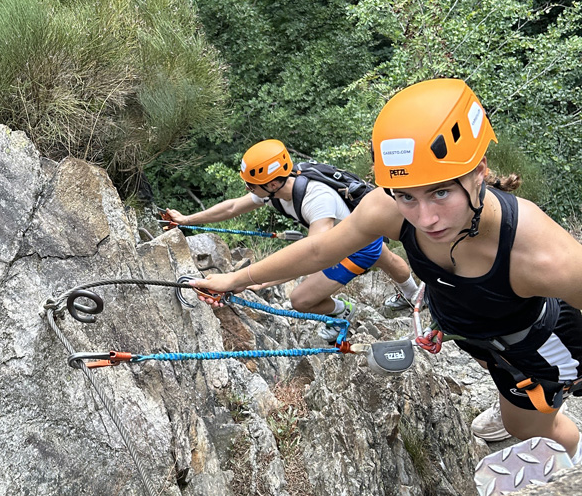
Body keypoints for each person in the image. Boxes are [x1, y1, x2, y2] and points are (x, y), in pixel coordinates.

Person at [191, 79, 582, 460]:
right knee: (510, 397)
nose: (425, 218)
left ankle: (567, 458)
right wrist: (236, 280)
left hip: (541, 345)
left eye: (440, 191)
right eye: (406, 195)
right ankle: (514, 399)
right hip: (474, 331)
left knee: (529, 428)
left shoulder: (539, 255)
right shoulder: (389, 209)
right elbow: (320, 250)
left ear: (478, 170)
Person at [165, 139, 420, 343]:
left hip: (356, 248)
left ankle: (343, 311)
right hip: (358, 230)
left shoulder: (316, 199)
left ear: (274, 182)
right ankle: (415, 295)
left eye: (251, 185)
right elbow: (232, 207)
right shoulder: (277, 187)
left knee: (301, 300)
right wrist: (187, 219)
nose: (247, 189)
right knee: (386, 257)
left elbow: (315, 254)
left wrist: (258, 279)